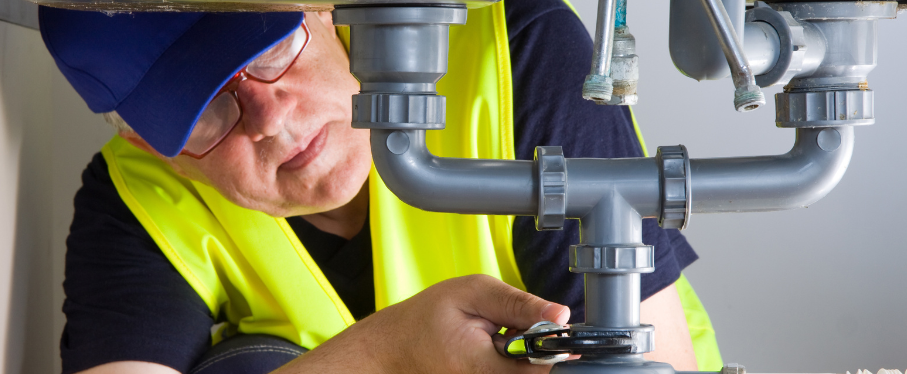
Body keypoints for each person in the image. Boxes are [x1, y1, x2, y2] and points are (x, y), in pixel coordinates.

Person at [39, 1, 720, 373]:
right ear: (145, 139)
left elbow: (656, 361)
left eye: (273, 48)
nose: (272, 118)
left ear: (321, 8)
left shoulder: (516, 51)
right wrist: (380, 354)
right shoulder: (137, 201)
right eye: (205, 109)